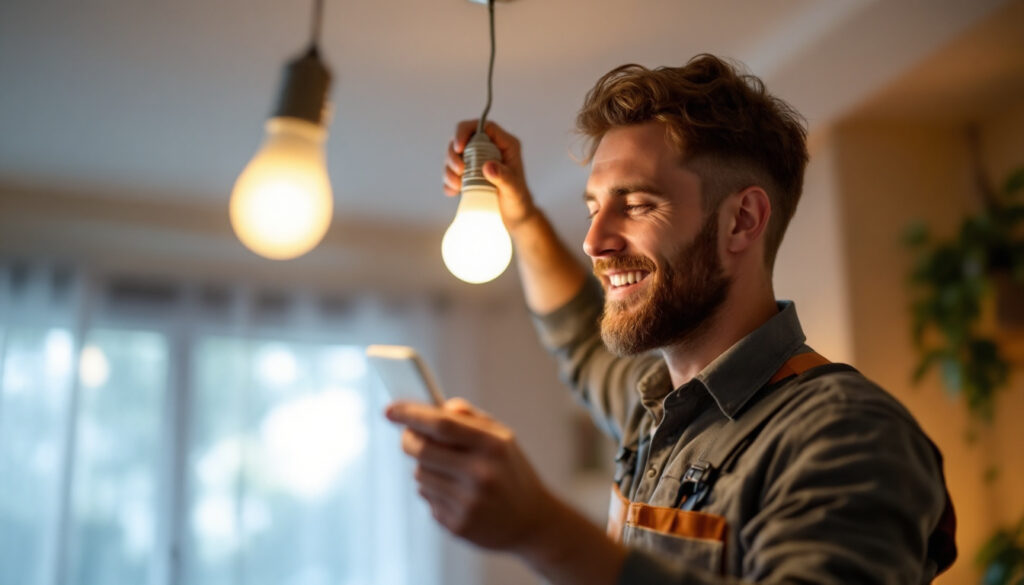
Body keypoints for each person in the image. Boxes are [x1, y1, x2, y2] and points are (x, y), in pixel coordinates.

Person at [385, 54, 956, 584]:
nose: (593, 241)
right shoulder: (655, 409)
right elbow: (581, 341)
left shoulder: (845, 433)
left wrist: (541, 529)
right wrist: (525, 217)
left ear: (741, 221)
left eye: (635, 206)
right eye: (593, 207)